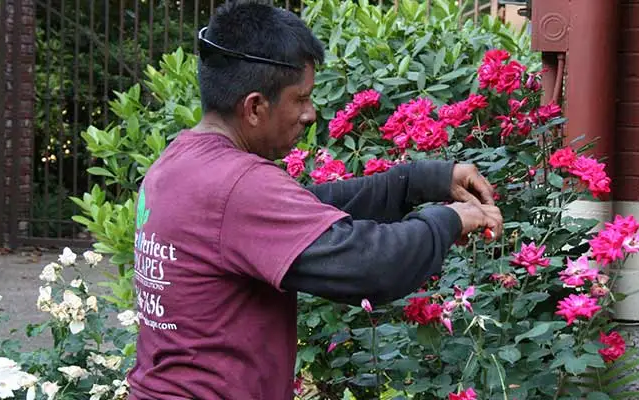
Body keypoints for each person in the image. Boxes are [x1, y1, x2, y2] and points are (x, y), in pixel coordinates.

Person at [125, 1, 504, 399]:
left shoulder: (181, 163)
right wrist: (451, 220)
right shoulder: (238, 186)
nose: (311, 113)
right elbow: (370, 265)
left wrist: (420, 180)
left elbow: (306, 208)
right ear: (255, 106)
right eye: (301, 98)